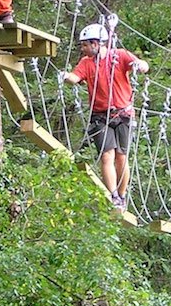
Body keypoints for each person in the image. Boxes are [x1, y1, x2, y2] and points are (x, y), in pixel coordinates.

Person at [62, 23, 149, 210]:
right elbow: (75, 78)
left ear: (96, 43)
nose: (83, 49)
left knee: (121, 157)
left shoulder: (119, 56)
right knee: (107, 156)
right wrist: (66, 77)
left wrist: (140, 65)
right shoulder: (86, 63)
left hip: (124, 113)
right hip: (100, 116)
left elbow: (143, 66)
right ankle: (113, 196)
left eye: (85, 45)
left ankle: (122, 195)